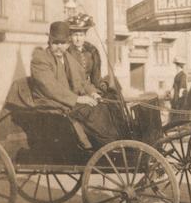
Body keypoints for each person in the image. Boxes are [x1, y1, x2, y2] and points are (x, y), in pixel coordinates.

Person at [30, 21, 122, 149]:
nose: (59, 47)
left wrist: (92, 93)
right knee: (93, 111)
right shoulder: (41, 59)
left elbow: (82, 80)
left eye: (62, 43)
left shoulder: (67, 57)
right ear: (49, 42)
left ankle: (113, 141)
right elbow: (50, 88)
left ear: (68, 43)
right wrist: (78, 99)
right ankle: (105, 145)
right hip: (49, 102)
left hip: (66, 100)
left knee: (105, 105)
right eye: (55, 43)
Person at [66, 13, 103, 90]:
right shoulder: (67, 52)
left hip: (88, 89)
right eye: (75, 35)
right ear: (71, 36)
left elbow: (96, 77)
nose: (78, 39)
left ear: (85, 36)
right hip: (71, 89)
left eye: (81, 35)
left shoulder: (91, 51)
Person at [168, 57, 187, 124]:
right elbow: (174, 85)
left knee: (178, 108)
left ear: (179, 66)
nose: (176, 67)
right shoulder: (177, 75)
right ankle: (173, 121)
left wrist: (179, 97)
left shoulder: (183, 75)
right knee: (174, 107)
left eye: (177, 65)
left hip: (180, 96)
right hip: (176, 95)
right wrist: (170, 92)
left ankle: (179, 122)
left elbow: (182, 87)